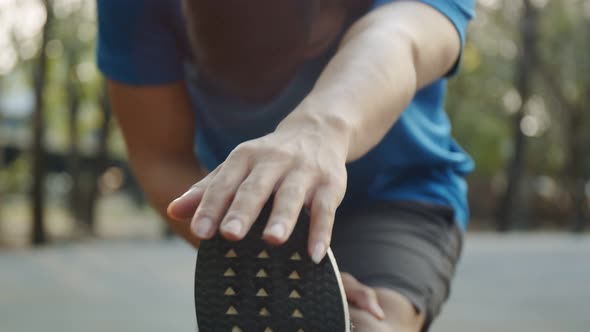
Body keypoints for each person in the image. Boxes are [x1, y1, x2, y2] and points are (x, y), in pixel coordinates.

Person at [97, 0, 475, 331]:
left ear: (327, 20)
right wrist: (251, 242)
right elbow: (163, 161)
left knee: (373, 322)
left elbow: (397, 36)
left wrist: (320, 128)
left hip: (395, 193)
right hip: (250, 207)